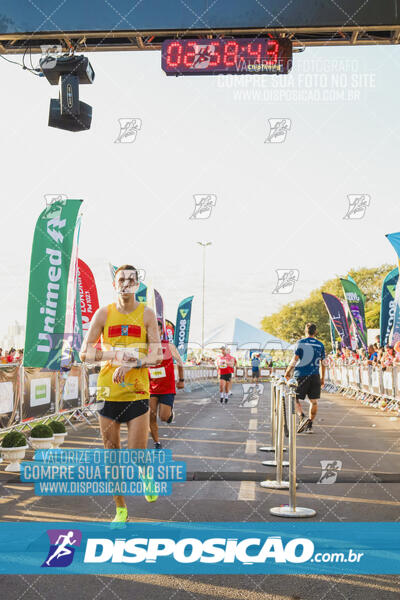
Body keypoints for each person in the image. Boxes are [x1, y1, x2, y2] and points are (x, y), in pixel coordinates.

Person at [79, 264, 163, 524]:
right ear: (115, 285)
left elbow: (158, 354)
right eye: (121, 279)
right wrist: (114, 355)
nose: (126, 283)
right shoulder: (103, 314)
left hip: (137, 391)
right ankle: (120, 509)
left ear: (137, 285)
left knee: (137, 453)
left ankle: (145, 473)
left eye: (131, 279)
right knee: (111, 453)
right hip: (108, 391)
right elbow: (85, 353)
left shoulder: (147, 314)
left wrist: (133, 363)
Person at [149, 320, 185, 449]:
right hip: (151, 387)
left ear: (161, 332)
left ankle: (170, 414)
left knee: (163, 417)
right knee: (150, 415)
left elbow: (180, 363)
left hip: (167, 387)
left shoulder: (169, 346)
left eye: (156, 331)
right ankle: (157, 442)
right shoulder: (144, 347)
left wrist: (181, 380)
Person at [285, 322, 326, 434]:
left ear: (305, 331)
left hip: (301, 374)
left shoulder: (301, 343)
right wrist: (323, 378)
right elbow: (324, 363)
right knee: (314, 401)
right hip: (315, 375)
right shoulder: (320, 344)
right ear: (315, 332)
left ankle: (302, 417)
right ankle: (310, 425)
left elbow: (295, 359)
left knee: (294, 398)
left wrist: (288, 372)